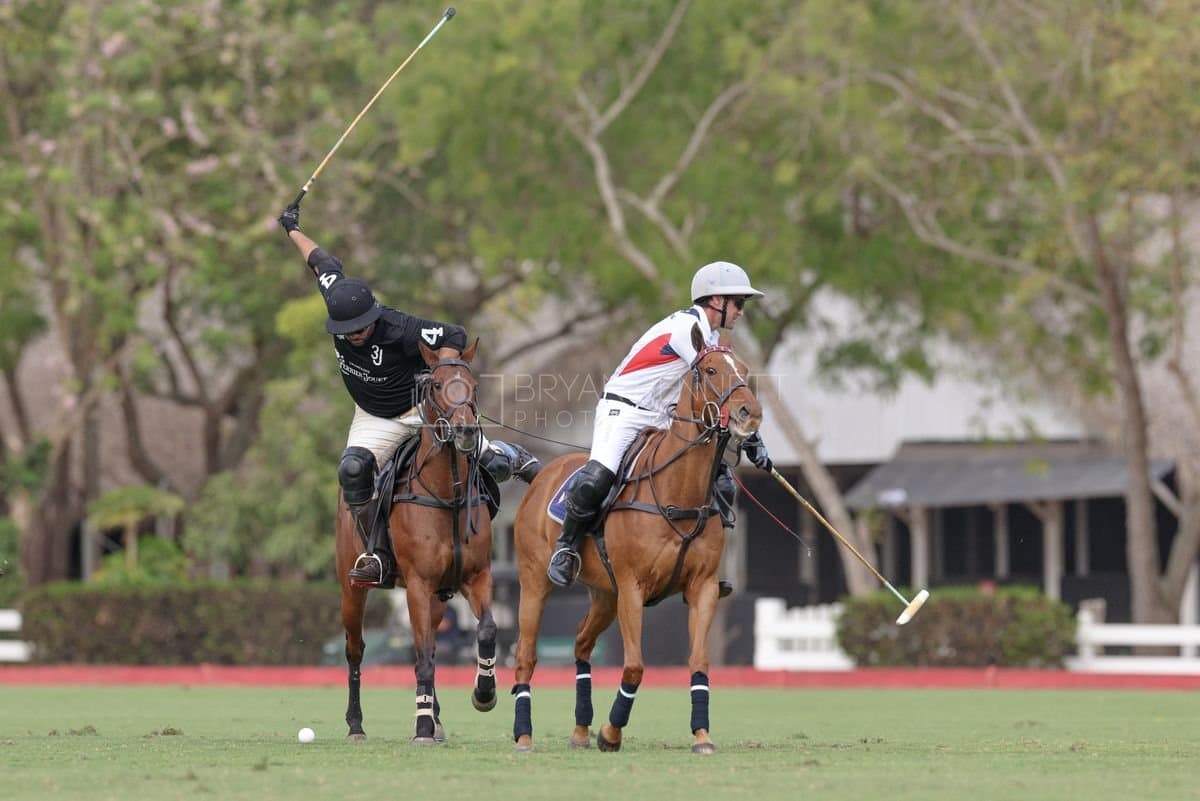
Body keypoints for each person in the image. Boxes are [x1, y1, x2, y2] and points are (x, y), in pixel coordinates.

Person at [278, 202, 541, 587]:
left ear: (372, 317)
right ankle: (376, 555)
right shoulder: (338, 297)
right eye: (346, 331)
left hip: (422, 411)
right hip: (374, 416)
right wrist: (292, 228)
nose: (354, 335)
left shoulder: (399, 328)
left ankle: (512, 455)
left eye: (360, 328)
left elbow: (454, 335)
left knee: (494, 467)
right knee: (352, 472)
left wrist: (444, 379)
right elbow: (321, 262)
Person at [547, 261, 774, 588]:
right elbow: (719, 387)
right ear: (716, 300)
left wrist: (750, 436)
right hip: (624, 410)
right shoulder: (686, 329)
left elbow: (718, 394)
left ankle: (703, 564)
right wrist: (752, 437)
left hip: (664, 415)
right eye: (738, 303)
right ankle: (566, 546)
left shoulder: (710, 336)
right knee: (598, 477)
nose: (741, 311)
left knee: (720, 477)